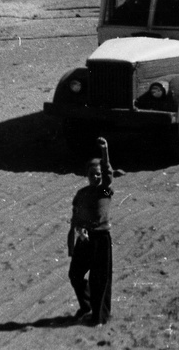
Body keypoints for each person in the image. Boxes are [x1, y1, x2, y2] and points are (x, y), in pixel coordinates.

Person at [68, 137, 115, 325]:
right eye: (93, 174)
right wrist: (78, 233)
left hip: (101, 239)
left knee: (99, 280)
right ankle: (86, 306)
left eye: (98, 174)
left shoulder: (105, 191)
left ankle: (99, 316)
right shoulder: (81, 194)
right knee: (75, 274)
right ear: (86, 174)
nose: (96, 177)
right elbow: (75, 220)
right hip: (86, 239)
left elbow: (108, 173)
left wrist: (105, 151)